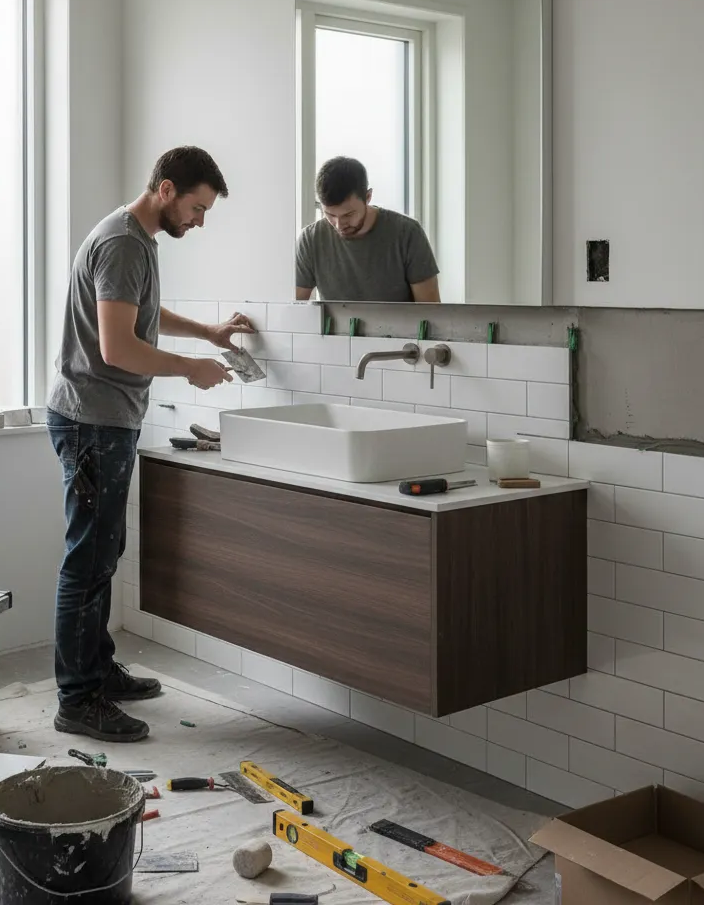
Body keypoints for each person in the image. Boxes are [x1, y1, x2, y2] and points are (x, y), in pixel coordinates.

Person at [46, 146, 254, 743]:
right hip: (93, 421)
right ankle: (77, 699)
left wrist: (206, 332)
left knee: (102, 553)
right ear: (166, 190)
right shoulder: (122, 243)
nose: (199, 221)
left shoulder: (134, 239)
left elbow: (138, 312)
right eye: (197, 207)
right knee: (88, 560)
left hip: (101, 419)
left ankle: (97, 671)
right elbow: (118, 348)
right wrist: (190, 368)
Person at [295, 156, 440, 303]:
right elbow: (294, 308)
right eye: (330, 215)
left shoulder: (408, 233)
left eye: (348, 214)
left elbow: (430, 310)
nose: (339, 225)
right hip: (335, 320)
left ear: (368, 197)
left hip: (398, 320)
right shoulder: (310, 239)